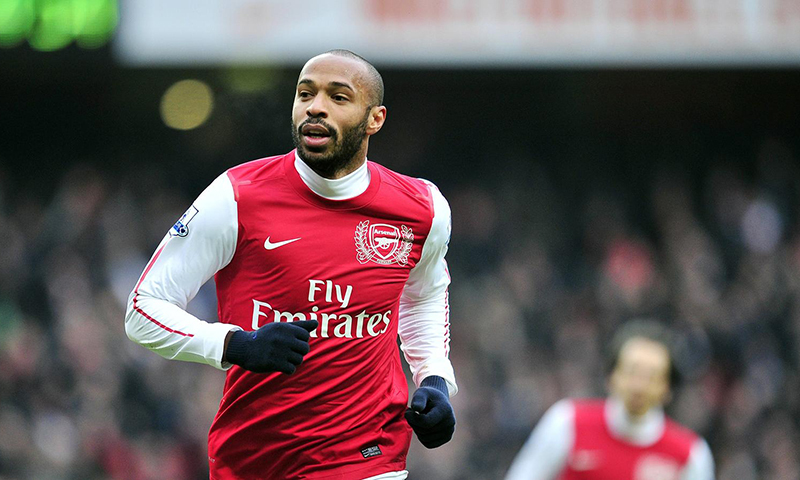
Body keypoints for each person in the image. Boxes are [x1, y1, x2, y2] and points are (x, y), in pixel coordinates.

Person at [125, 49, 457, 480]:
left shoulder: (422, 207)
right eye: (306, 94)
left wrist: (434, 377)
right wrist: (235, 344)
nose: (316, 107)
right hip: (256, 458)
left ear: (374, 119)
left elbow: (424, 294)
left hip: (368, 455)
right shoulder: (237, 195)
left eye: (338, 97)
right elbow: (143, 309)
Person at [504, 320, 714, 480]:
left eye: (651, 377)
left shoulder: (690, 454)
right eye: (632, 372)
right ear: (611, 376)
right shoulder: (567, 422)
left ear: (667, 389)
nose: (639, 386)